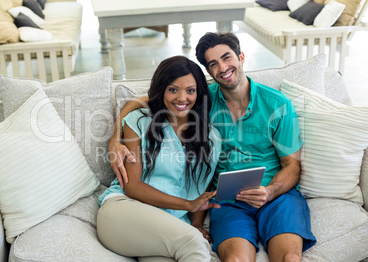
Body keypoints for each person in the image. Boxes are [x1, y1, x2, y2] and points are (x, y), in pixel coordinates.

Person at [108, 32, 316, 261]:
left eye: (227, 58)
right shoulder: (202, 99)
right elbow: (147, 100)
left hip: (276, 195)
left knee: (289, 258)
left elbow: (292, 166)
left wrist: (270, 192)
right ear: (209, 71)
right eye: (213, 64)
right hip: (228, 200)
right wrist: (114, 139)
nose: (223, 68)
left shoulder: (278, 104)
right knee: (235, 259)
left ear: (241, 57)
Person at [97, 55, 222, 262]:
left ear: (199, 94)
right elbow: (132, 186)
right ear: (161, 89)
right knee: (195, 244)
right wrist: (187, 205)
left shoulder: (211, 138)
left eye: (190, 91)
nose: (182, 98)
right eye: (173, 89)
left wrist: (197, 224)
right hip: (123, 211)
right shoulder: (138, 121)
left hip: (168, 225)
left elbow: (201, 188)